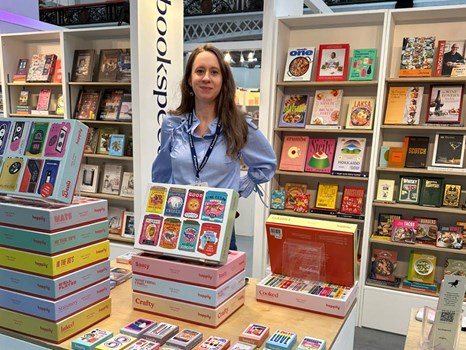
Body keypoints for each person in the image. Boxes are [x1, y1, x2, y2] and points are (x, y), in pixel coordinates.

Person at [151, 44, 277, 250]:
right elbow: (162, 173)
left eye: (214, 72)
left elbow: (267, 163)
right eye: (200, 71)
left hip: (219, 227)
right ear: (189, 80)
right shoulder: (172, 125)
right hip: (178, 223)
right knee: (178, 280)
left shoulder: (238, 124)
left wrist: (234, 192)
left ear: (223, 81)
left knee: (220, 281)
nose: (206, 78)